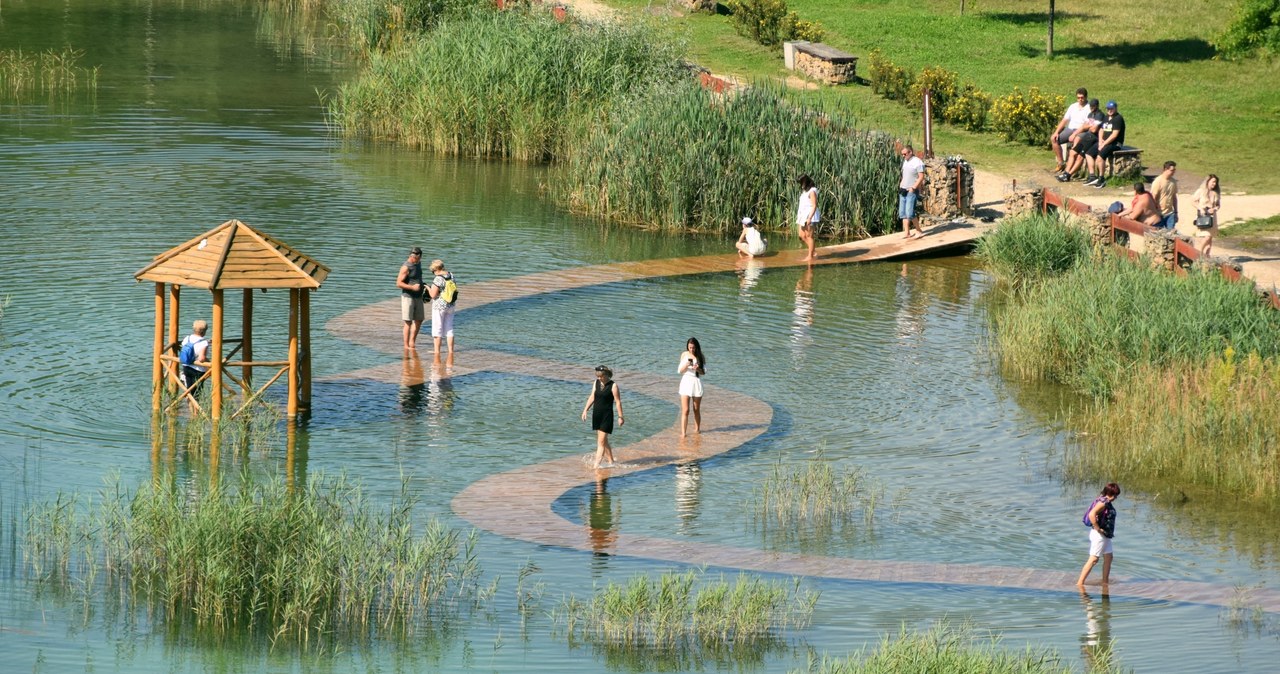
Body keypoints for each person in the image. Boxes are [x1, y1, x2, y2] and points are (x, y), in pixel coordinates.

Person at [1077, 482, 1120, 586]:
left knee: (1109, 557)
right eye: (1112, 494)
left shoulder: (1103, 500)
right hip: (1099, 535)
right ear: (1107, 492)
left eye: (1115, 495)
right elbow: (1092, 514)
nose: (1114, 497)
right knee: (1094, 559)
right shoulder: (1103, 502)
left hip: (1106, 535)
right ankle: (1080, 583)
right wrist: (1098, 528)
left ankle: (1105, 582)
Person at [581, 365, 624, 469]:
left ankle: (596, 465)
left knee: (600, 442)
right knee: (604, 441)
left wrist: (620, 416)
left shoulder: (613, 386)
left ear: (606, 375)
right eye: (598, 376)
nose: (599, 378)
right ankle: (611, 461)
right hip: (597, 415)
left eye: (601, 376)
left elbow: (617, 402)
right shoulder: (596, 383)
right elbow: (592, 396)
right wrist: (585, 410)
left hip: (607, 416)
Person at [1059, 98, 1104, 184]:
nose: (1092, 108)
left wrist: (1089, 126)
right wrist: (1088, 127)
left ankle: (1069, 175)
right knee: (1072, 152)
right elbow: (1084, 126)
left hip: (1093, 138)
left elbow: (1094, 130)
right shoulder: (1090, 114)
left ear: (1097, 106)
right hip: (1087, 136)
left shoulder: (1100, 115)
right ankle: (1066, 173)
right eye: (1091, 107)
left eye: (1094, 106)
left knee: (1080, 156)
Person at [1050, 87, 1091, 173]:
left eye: (1082, 97)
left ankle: (1070, 170)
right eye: (1078, 98)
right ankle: (1061, 163)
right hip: (1070, 129)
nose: (1080, 100)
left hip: (1082, 131)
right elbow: (1065, 120)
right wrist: (1056, 132)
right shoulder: (1073, 106)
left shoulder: (1089, 108)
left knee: (1075, 142)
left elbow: (1086, 125)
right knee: (1054, 139)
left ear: (1086, 97)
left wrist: (1075, 134)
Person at [425, 258, 456, 359]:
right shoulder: (451, 275)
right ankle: (451, 351)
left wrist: (427, 287)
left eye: (433, 271)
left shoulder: (438, 278)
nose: (433, 273)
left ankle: (437, 352)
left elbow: (433, 295)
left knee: (437, 328)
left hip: (439, 306)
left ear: (436, 269)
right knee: (449, 328)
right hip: (451, 305)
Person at [396, 247, 426, 349]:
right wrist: (412, 287)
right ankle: (406, 345)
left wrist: (424, 286)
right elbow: (399, 283)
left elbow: (417, 278)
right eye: (419, 258)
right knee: (408, 322)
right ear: (413, 257)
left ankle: (412, 342)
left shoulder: (418, 264)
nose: (420, 260)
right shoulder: (406, 267)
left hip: (418, 296)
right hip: (408, 297)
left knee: (419, 320)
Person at [179, 319, 211, 410]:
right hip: (198, 370)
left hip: (186, 367)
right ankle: (196, 413)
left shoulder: (187, 338)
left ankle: (190, 409)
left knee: (190, 390)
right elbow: (201, 358)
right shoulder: (203, 343)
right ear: (204, 331)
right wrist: (210, 363)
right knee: (197, 392)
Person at [1093, 101, 1126, 187]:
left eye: (1111, 108)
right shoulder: (1106, 117)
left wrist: (1104, 144)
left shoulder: (1118, 118)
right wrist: (1100, 141)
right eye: (1108, 108)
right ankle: (1092, 176)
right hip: (1104, 142)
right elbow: (1101, 130)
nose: (1110, 110)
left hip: (1115, 144)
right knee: (1089, 152)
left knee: (1100, 157)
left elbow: (1114, 135)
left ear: (1115, 108)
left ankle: (1101, 178)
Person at [677, 337, 706, 438]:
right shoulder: (684, 355)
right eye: (690, 347)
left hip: (696, 383)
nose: (691, 350)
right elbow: (680, 371)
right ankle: (683, 434)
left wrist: (697, 368)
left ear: (696, 347)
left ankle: (697, 430)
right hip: (686, 383)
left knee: (696, 409)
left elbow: (704, 372)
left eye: (693, 348)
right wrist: (686, 365)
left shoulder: (700, 357)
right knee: (685, 410)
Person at [899, 145, 926, 239]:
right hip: (903, 190)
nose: (903, 156)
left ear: (910, 152)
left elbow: (921, 177)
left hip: (912, 191)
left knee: (910, 213)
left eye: (905, 154)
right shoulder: (905, 161)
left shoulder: (917, 162)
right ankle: (907, 233)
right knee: (903, 213)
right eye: (902, 154)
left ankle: (919, 231)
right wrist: (901, 184)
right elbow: (905, 175)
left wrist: (913, 187)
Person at [1193, 174, 1221, 256]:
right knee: (1207, 236)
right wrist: (1200, 208)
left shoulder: (1215, 193)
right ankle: (1199, 253)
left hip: (1212, 217)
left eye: (1215, 182)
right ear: (1208, 182)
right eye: (1213, 182)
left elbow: (1218, 205)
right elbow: (1193, 201)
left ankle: (1207, 255)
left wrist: (1215, 209)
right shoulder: (1200, 191)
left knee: (1210, 238)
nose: (1214, 184)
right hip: (1203, 216)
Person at [795, 175, 819, 262]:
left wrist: (809, 218)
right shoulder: (805, 191)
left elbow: (814, 205)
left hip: (809, 216)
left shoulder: (812, 191)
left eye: (801, 182)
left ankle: (810, 256)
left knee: (809, 236)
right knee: (801, 236)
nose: (800, 185)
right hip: (802, 216)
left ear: (806, 182)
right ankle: (813, 251)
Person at [1149, 161, 1179, 230]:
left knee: (1171, 235)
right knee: (1159, 235)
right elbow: (1153, 198)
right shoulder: (1158, 181)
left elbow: (1174, 197)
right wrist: (1154, 213)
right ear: (1165, 169)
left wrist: (1176, 212)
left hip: (1170, 213)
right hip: (1159, 213)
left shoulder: (1173, 182)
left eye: (1174, 170)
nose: (1173, 172)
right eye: (1172, 170)